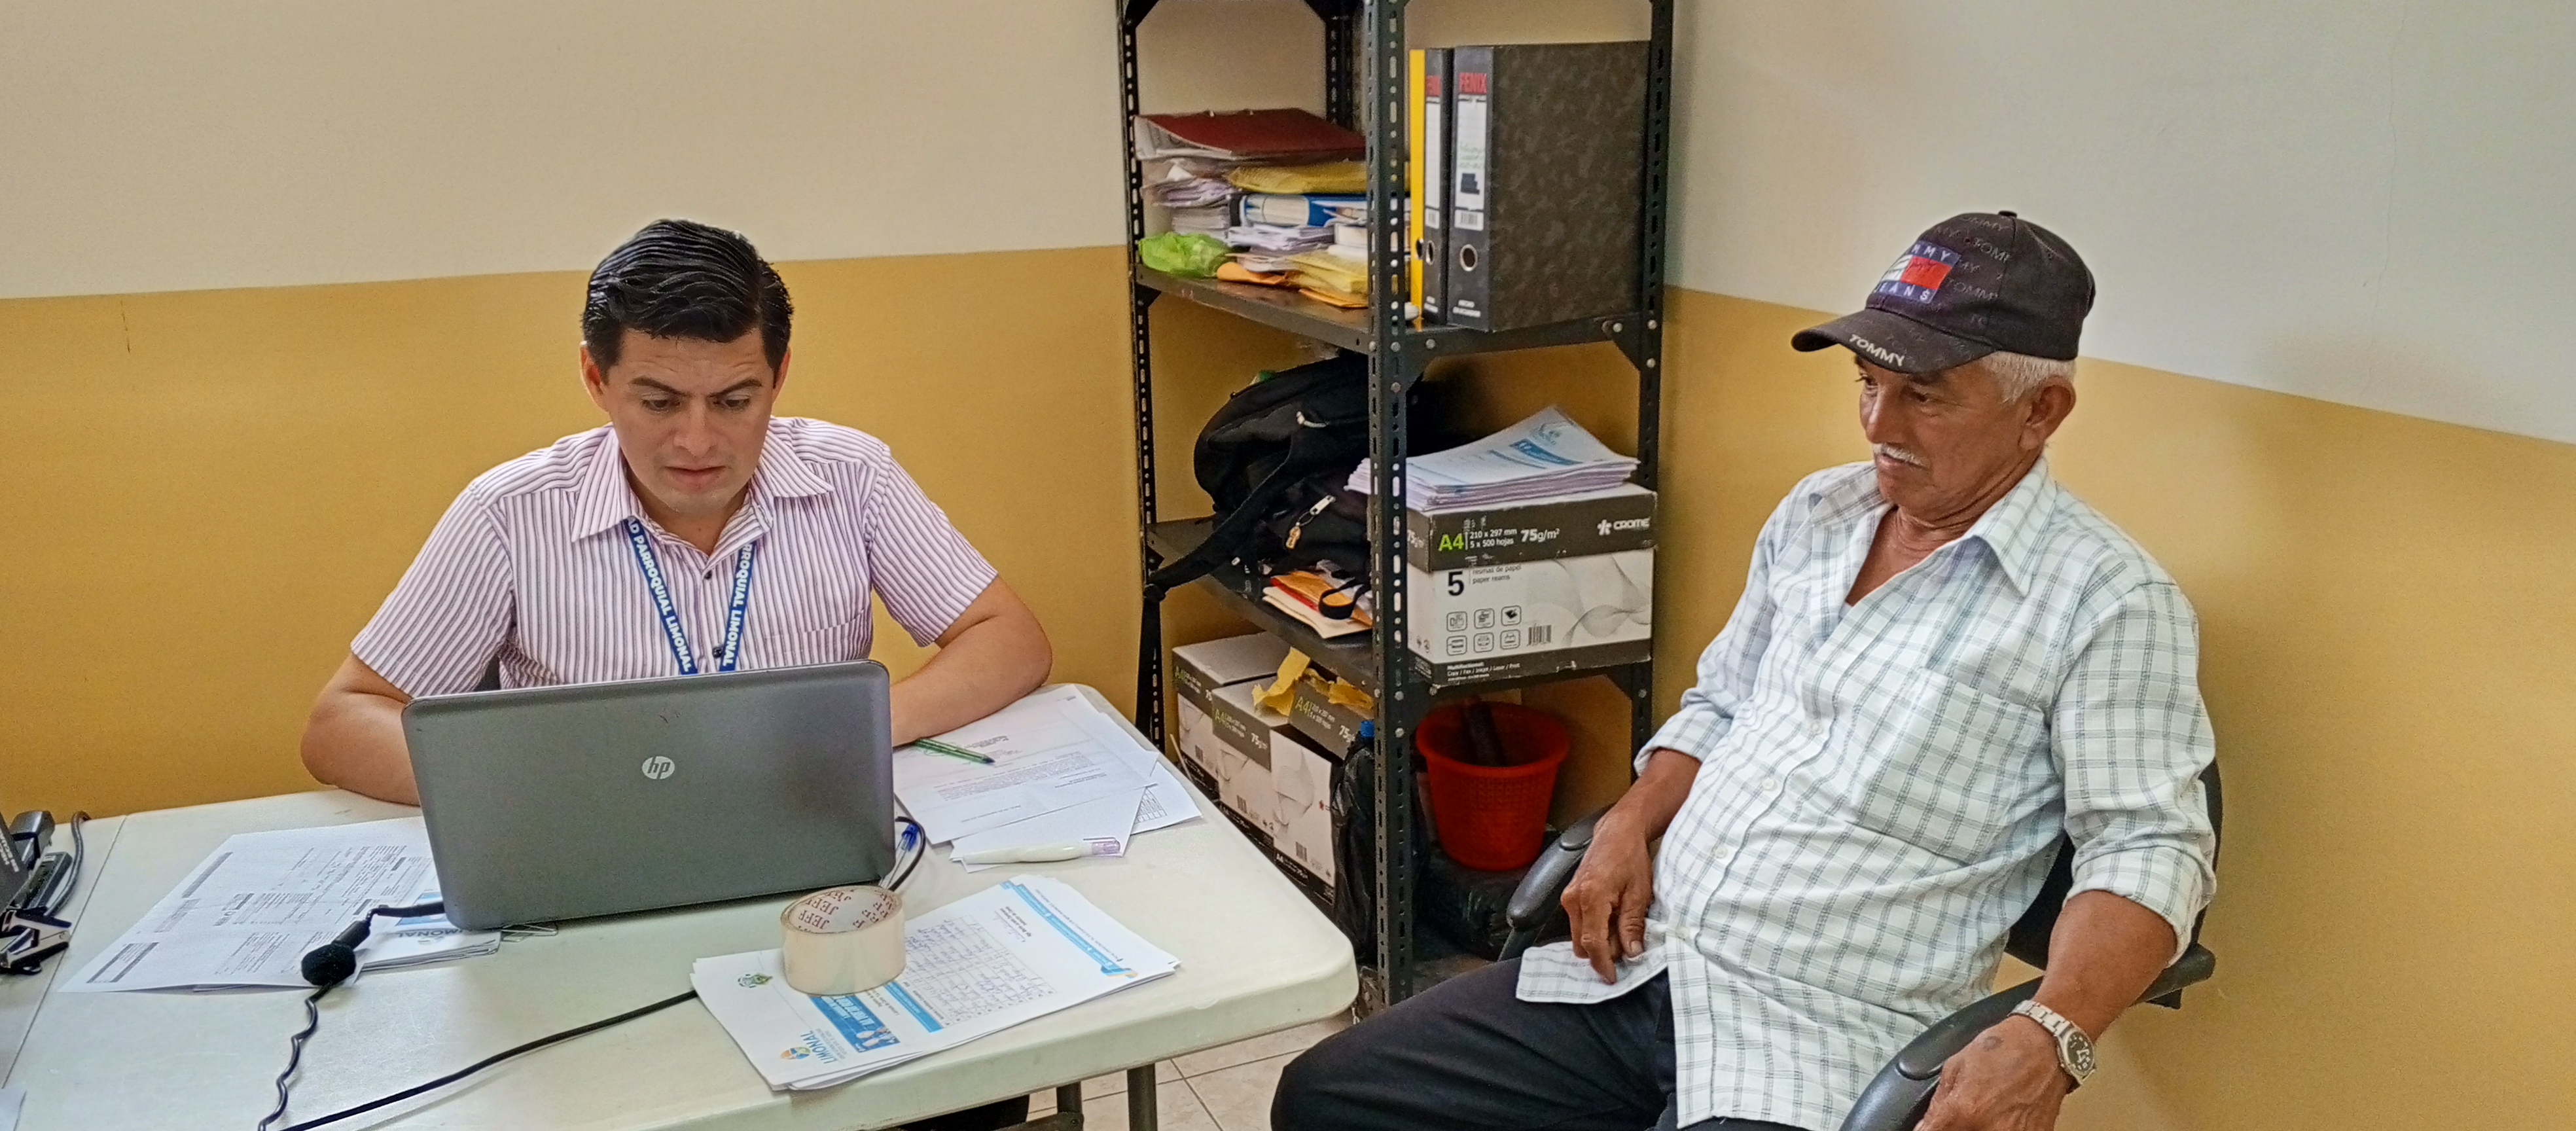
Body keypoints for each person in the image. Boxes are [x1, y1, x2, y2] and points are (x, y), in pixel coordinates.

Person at [1274, 213, 2218, 1131]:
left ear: (2041, 411)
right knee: (1329, 1097)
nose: (1878, 424)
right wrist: (1627, 823)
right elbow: (1721, 703)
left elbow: (2149, 848)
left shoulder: (2107, 601)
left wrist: (2052, 1033)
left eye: (1924, 398)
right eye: (1868, 383)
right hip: (1647, 965)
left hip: (1820, 1036)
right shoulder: (1820, 514)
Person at [299, 218, 1047, 1130]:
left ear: (778, 376)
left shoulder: (850, 476)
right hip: (593, 911)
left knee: (964, 1089)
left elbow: (1007, 637)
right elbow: (341, 721)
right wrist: (535, 782)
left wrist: (851, 733)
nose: (699, 440)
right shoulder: (511, 515)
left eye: (735, 400)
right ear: (596, 379)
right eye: (658, 402)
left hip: (816, 891)